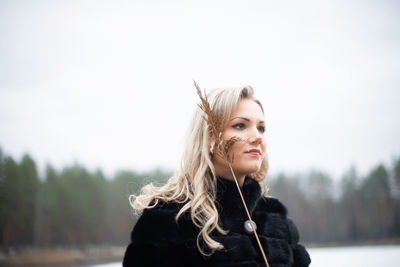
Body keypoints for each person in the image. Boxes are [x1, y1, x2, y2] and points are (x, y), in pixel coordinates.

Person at [123, 85, 311, 267]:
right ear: (211, 137)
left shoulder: (274, 216)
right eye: (240, 125)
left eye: (261, 128)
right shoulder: (168, 216)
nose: (257, 137)